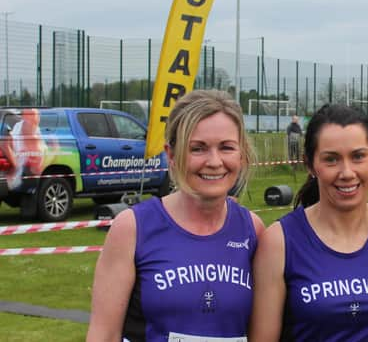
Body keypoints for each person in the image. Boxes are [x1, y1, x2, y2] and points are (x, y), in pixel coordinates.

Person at [87, 89, 265, 341]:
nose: (214, 162)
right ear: (171, 154)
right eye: (198, 149)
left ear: (242, 154)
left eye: (226, 147)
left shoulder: (253, 230)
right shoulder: (133, 228)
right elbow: (104, 334)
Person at [249, 104, 368, 342]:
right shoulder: (279, 242)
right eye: (331, 159)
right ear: (310, 164)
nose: (347, 172)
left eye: (358, 156)